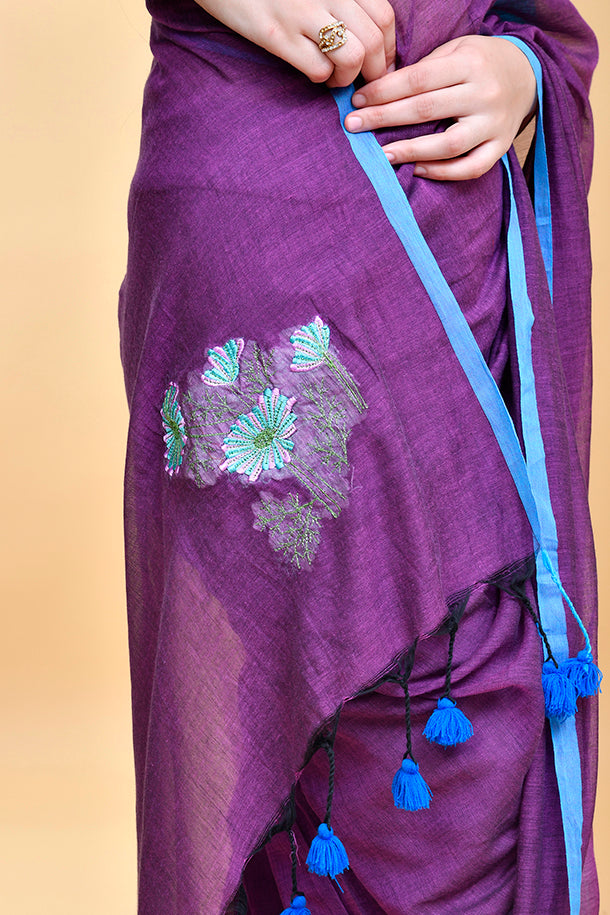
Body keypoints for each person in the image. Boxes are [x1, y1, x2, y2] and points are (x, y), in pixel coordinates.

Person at [118, 1, 600, 912]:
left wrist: (522, 74)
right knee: (285, 711)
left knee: (480, 700)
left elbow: (542, 26)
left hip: (460, 264)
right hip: (252, 236)